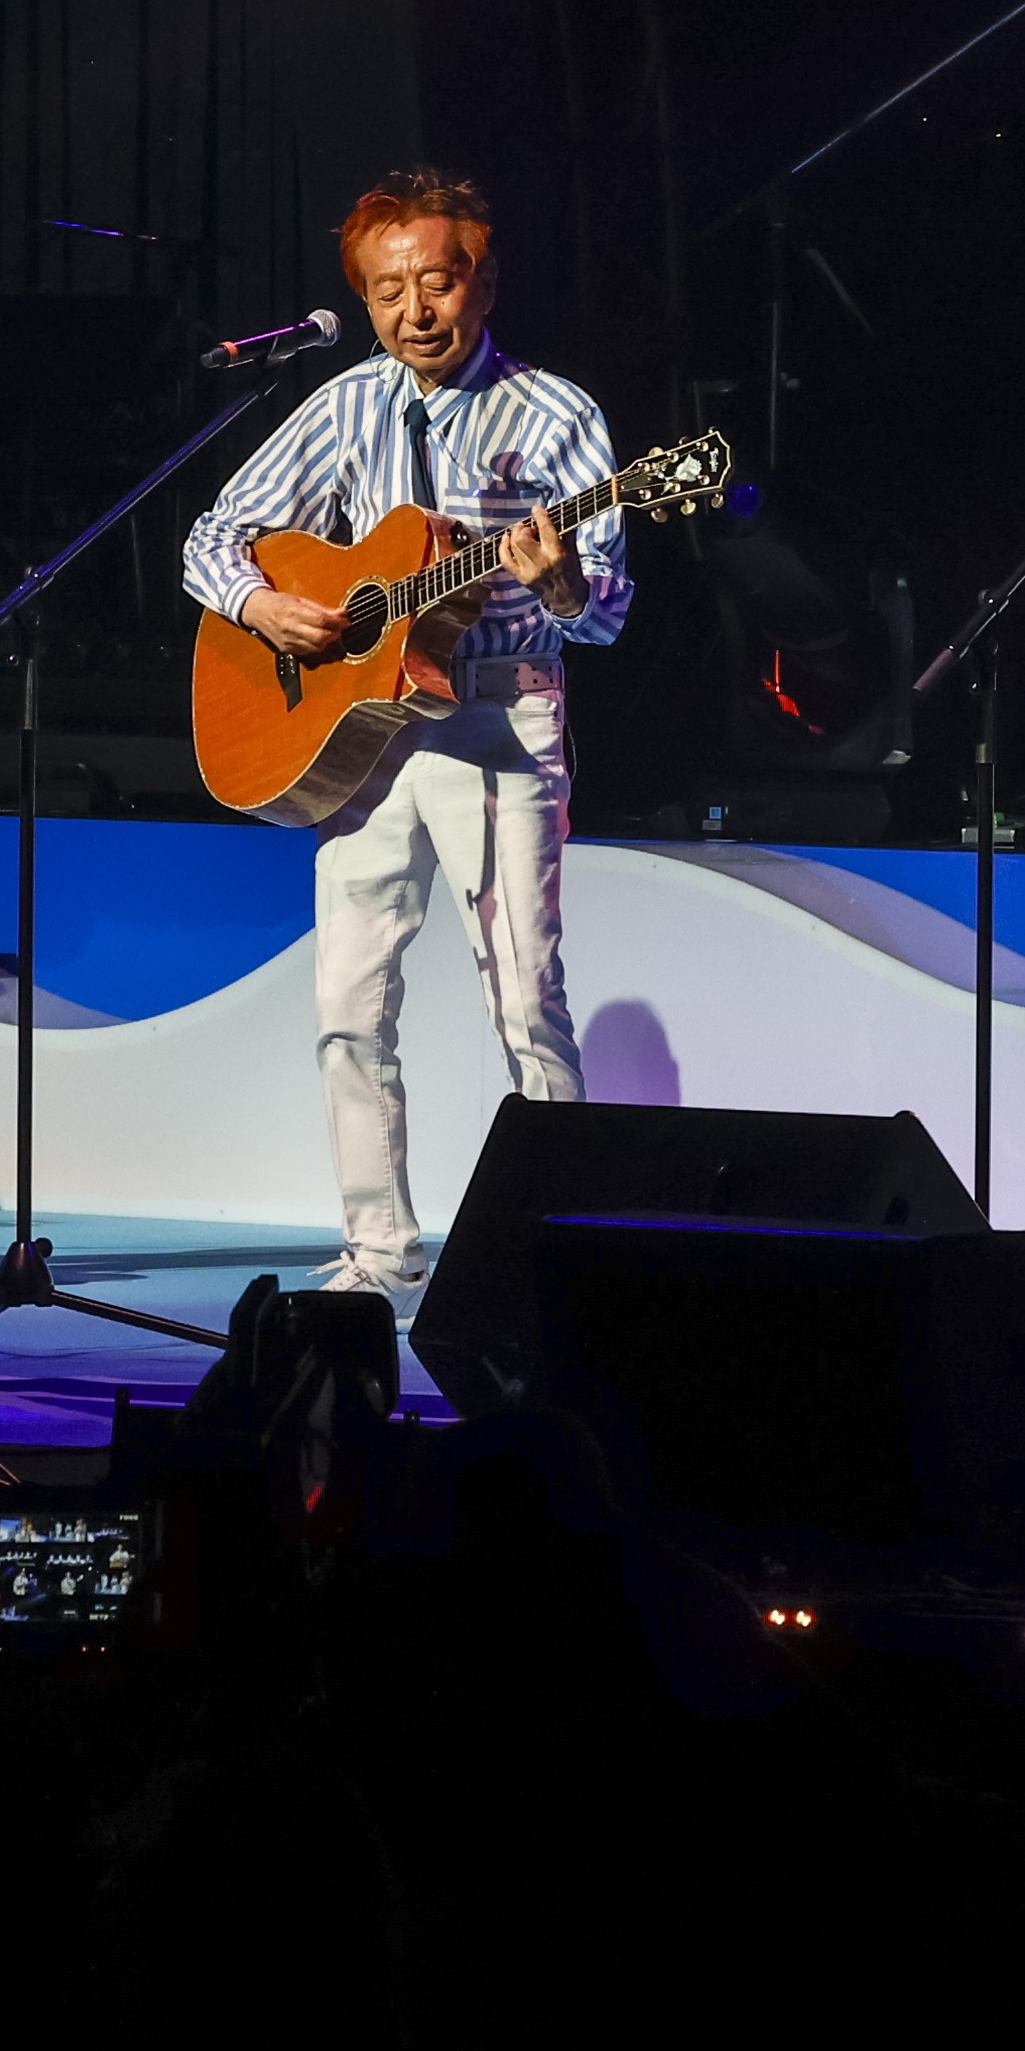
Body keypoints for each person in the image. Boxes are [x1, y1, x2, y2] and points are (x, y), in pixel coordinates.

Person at [180, 170, 625, 1297]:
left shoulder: (557, 414)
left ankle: (555, 1243)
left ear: (483, 278)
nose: (414, 310)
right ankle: (378, 1248)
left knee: (522, 995)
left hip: (500, 716)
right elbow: (211, 534)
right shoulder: (346, 404)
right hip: (367, 729)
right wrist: (261, 605)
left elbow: (611, 610)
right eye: (388, 291)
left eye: (437, 280)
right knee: (348, 1000)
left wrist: (560, 576)